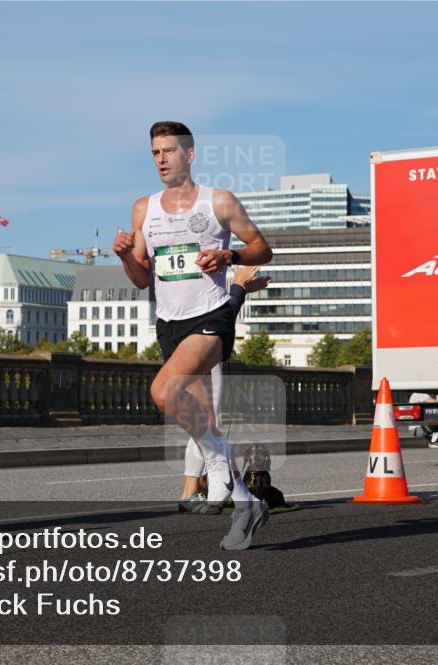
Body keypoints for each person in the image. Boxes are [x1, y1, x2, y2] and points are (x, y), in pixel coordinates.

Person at [114, 121, 273, 550]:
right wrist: (128, 255)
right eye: (154, 153)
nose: (161, 159)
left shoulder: (218, 201)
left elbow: (262, 248)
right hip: (170, 322)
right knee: (206, 428)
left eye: (168, 151)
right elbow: (141, 279)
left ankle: (220, 462)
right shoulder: (144, 209)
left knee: (164, 392)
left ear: (190, 154)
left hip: (213, 315)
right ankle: (247, 508)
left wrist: (228, 254)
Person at [179, 264, 271, 515]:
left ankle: (215, 489)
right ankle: (192, 491)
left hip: (189, 345)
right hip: (204, 348)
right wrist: (239, 287)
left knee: (206, 424)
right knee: (208, 423)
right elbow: (217, 317)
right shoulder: (201, 279)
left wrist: (240, 290)